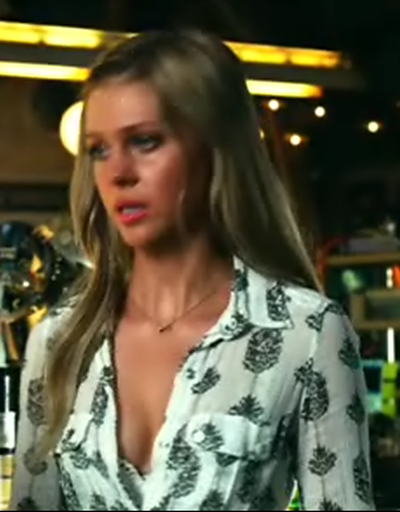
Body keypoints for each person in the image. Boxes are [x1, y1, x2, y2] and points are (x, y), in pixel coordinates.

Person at [10, 29, 374, 511]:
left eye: (145, 141)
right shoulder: (59, 342)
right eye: (99, 149)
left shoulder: (306, 333)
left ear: (214, 150)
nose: (118, 173)